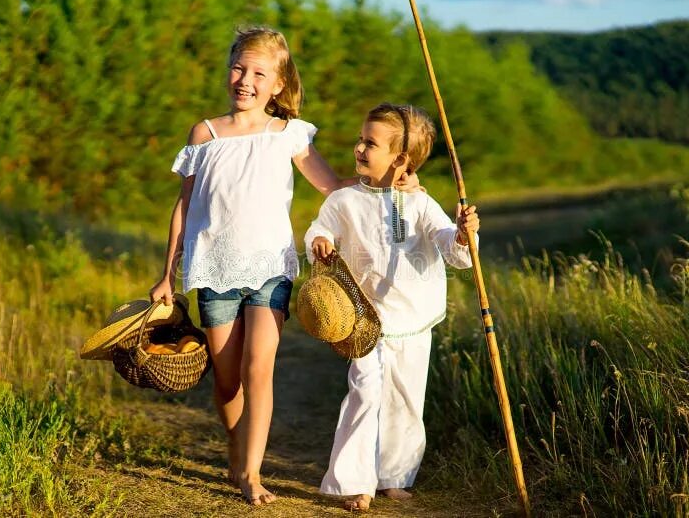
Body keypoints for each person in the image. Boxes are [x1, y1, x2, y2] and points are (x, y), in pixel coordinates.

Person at [148, 27, 419, 506]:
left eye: (259, 73)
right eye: (239, 68)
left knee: (259, 368)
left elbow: (334, 187)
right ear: (227, 70)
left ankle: (252, 473)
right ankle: (238, 451)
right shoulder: (205, 135)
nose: (245, 80)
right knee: (227, 377)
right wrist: (168, 274)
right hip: (213, 270)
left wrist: (395, 185)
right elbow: (183, 208)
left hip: (271, 268)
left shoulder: (288, 134)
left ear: (277, 84)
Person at [305, 102, 480, 511]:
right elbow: (322, 226)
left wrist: (462, 235)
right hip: (364, 319)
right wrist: (320, 240)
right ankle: (354, 481)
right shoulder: (345, 199)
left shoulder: (419, 202)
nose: (359, 148)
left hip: (413, 319)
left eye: (370, 143)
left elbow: (449, 246)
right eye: (361, 140)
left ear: (400, 159)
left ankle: (394, 475)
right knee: (364, 393)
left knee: (405, 397)